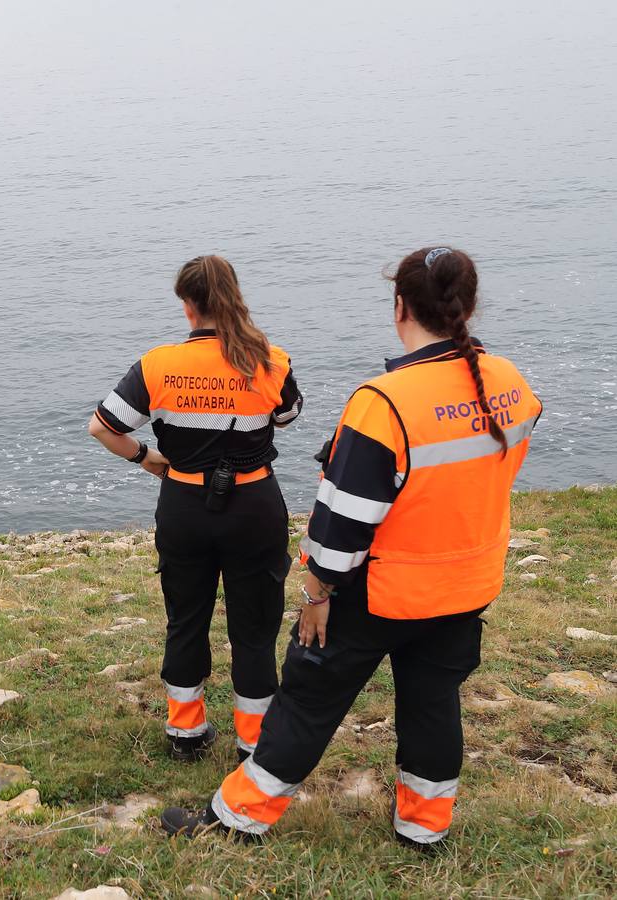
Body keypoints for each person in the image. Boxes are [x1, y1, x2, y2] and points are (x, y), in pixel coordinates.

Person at [160, 246, 542, 850]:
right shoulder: (510, 384)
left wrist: (317, 591)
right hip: (466, 584)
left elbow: (344, 518)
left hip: (380, 590)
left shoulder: (385, 402)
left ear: (399, 308)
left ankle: (239, 816)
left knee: (307, 701)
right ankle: (424, 826)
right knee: (433, 704)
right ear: (467, 306)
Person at [89, 255, 302, 762]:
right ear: (235, 296)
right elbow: (289, 415)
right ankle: (254, 740)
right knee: (254, 629)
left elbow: (103, 426)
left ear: (187, 306)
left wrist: (147, 457)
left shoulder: (157, 364)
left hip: (184, 502)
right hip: (253, 503)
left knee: (185, 620)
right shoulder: (270, 359)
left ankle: (186, 733)